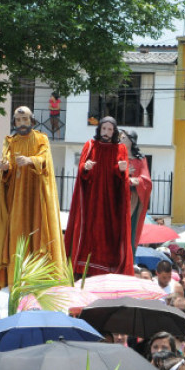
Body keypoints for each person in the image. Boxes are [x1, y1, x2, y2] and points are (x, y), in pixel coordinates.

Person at [0, 105, 65, 287]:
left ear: (32, 121)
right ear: (14, 122)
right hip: (16, 200)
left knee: (39, 234)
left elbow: (45, 158)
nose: (22, 123)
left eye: (25, 120)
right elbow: (5, 166)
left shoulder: (41, 138)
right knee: (16, 239)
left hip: (36, 199)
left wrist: (31, 160)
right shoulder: (10, 141)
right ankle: (15, 282)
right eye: (18, 120)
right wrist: (5, 169)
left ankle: (38, 280)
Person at [65, 116, 133, 277]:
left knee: (109, 234)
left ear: (114, 132)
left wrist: (121, 170)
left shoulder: (120, 149)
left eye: (110, 130)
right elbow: (82, 172)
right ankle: (81, 268)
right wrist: (85, 167)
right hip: (90, 202)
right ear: (99, 129)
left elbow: (122, 178)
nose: (106, 132)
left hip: (110, 204)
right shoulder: (90, 146)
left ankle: (108, 268)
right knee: (88, 233)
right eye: (104, 129)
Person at [121, 129, 152, 258]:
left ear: (131, 141)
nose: (121, 140)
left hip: (133, 198)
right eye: (120, 138)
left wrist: (136, 180)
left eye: (124, 138)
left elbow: (146, 180)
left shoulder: (140, 159)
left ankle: (128, 257)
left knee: (130, 229)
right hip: (118, 198)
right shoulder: (117, 157)